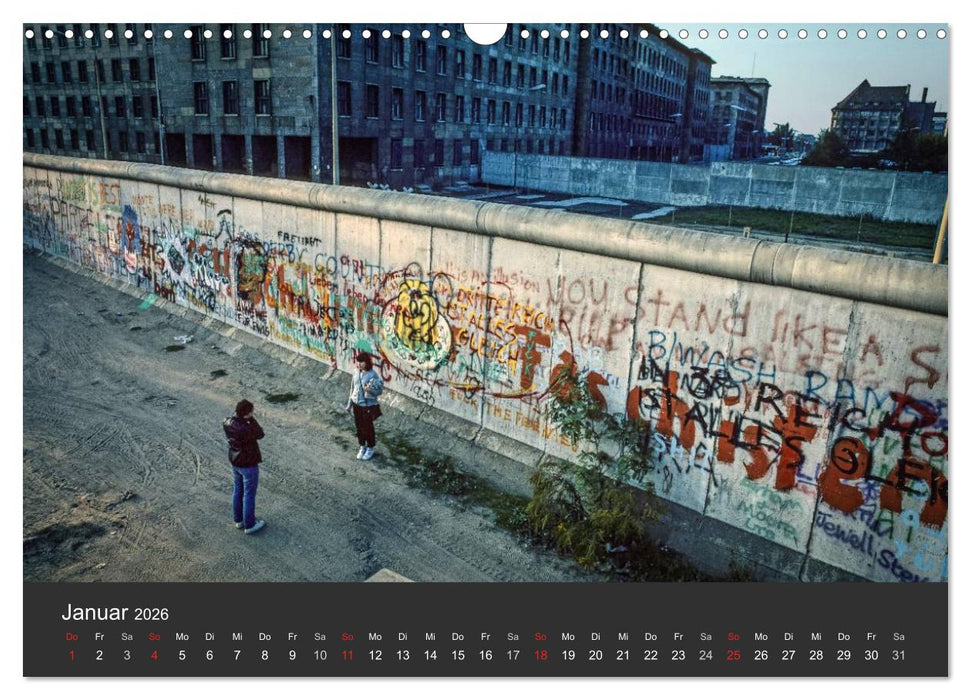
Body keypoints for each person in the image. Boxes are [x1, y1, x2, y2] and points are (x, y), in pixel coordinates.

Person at [222, 399, 266, 534]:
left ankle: (239, 520)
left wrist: (246, 417)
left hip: (236, 461)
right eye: (251, 412)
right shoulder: (246, 429)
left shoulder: (227, 422)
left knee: (238, 490)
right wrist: (251, 419)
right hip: (248, 464)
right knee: (249, 494)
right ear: (246, 414)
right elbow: (260, 434)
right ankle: (250, 525)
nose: (253, 413)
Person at [345, 352, 384, 461]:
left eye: (361, 362)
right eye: (358, 362)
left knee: (368, 428)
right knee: (359, 427)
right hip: (356, 405)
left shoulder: (372, 374)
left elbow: (379, 391)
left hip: (367, 406)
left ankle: (370, 448)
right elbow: (352, 389)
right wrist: (349, 404)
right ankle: (362, 446)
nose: (359, 364)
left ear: (367, 362)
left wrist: (370, 390)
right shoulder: (356, 372)